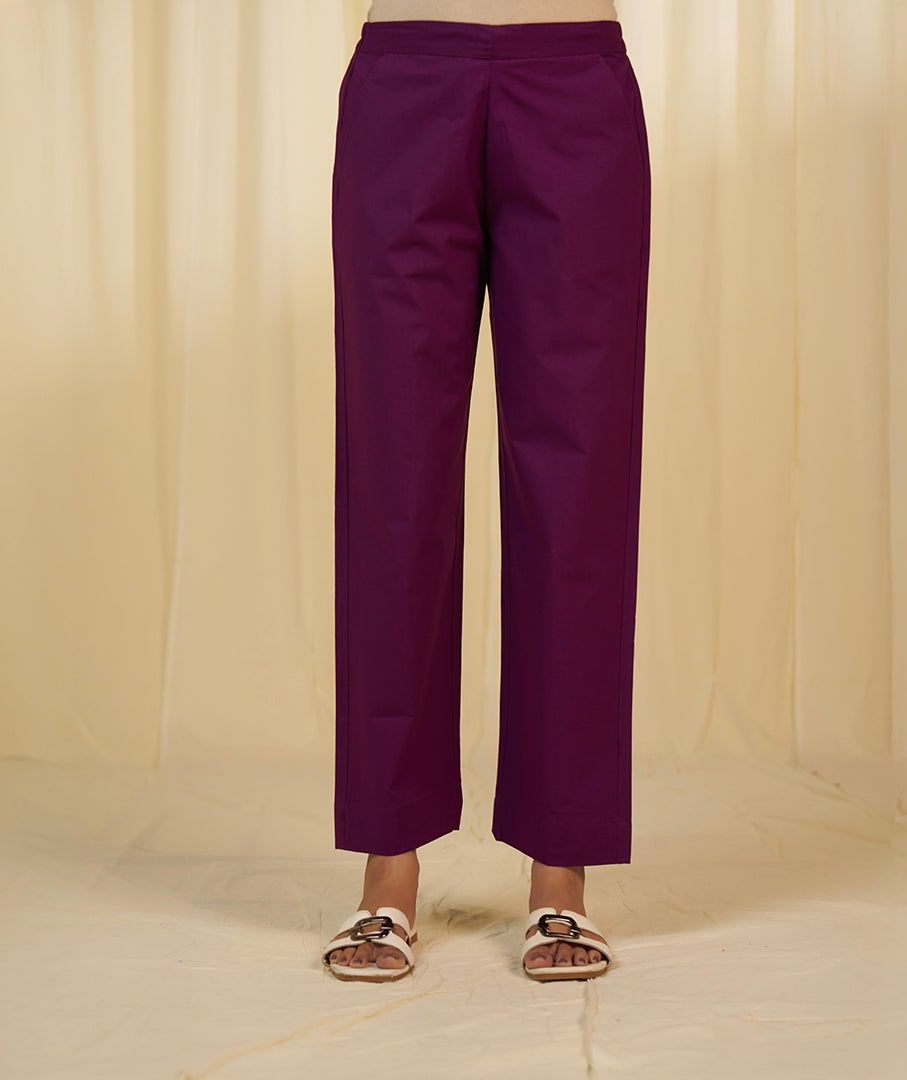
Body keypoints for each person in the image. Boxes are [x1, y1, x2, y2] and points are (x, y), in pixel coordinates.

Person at [320, 0, 650, 983]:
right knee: (394, 481)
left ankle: (561, 874)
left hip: (575, 82)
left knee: (580, 485)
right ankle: (388, 869)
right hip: (405, 77)